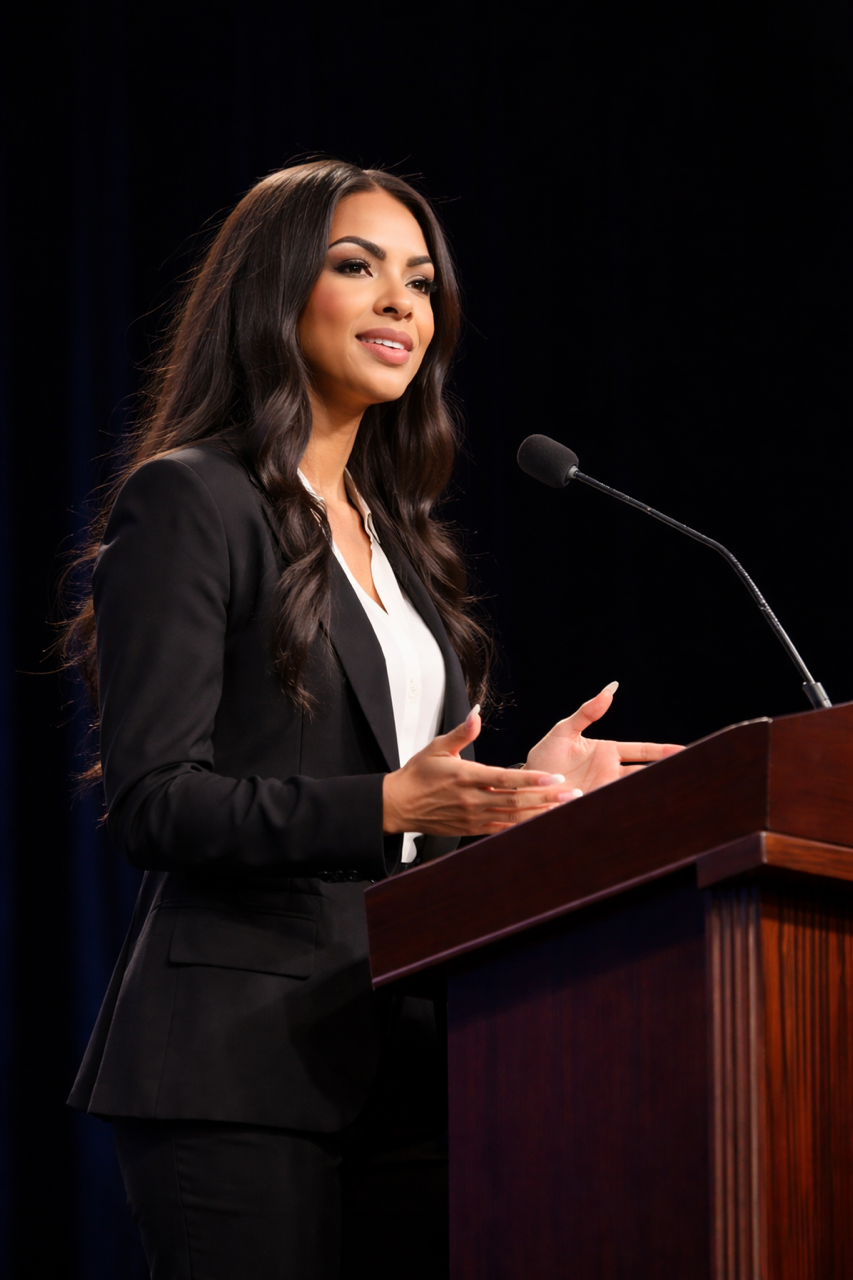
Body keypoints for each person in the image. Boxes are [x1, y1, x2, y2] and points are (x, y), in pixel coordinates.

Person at [64, 160, 681, 1279]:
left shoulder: (401, 540)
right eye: (358, 267)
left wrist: (523, 796)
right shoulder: (193, 497)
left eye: (422, 281)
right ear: (276, 290)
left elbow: (405, 827)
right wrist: (391, 800)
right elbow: (156, 801)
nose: (403, 302)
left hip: (410, 1054)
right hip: (235, 1069)